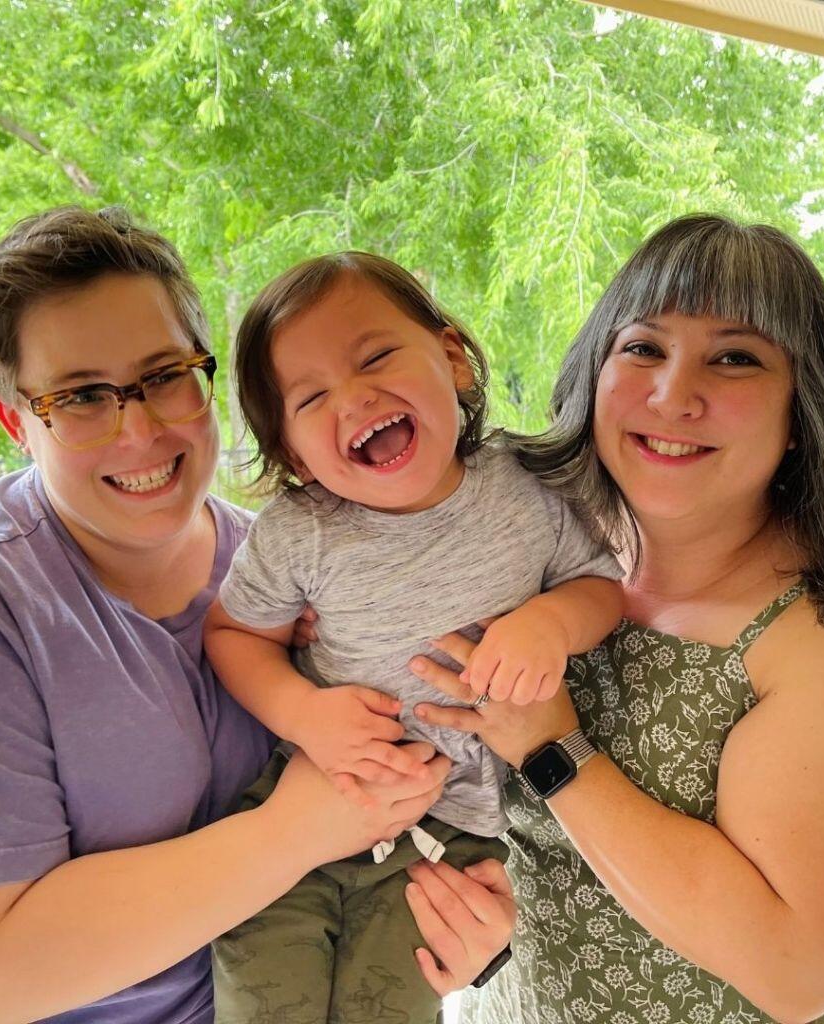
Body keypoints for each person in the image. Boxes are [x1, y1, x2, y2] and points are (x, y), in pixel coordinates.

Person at [0, 206, 514, 1024]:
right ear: (15, 422)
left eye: (163, 376)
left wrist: (470, 924)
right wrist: (293, 831)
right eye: (80, 397)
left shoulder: (291, 570)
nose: (139, 428)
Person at [409, 214, 824, 1024]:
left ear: (801, 411)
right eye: (643, 347)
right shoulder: (537, 547)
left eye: (736, 357)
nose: (674, 394)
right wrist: (487, 930)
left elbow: (799, 971)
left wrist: (553, 748)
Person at [203, 251, 625, 1024]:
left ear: (454, 359)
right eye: (312, 396)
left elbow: (602, 587)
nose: (355, 397)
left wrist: (552, 622)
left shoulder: (527, 486)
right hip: (310, 810)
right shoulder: (301, 532)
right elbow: (233, 635)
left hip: (456, 837)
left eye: (377, 357)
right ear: (294, 454)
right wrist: (303, 715)